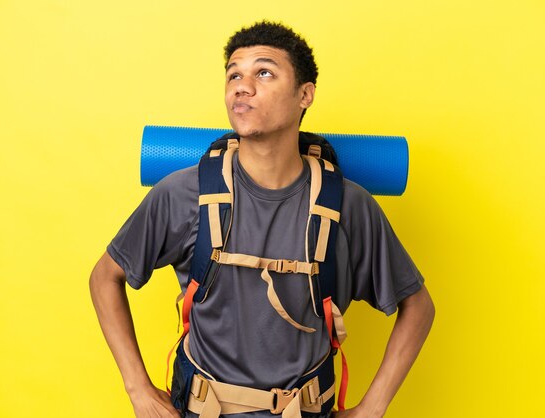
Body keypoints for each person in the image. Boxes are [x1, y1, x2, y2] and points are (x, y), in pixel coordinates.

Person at [90, 21, 435, 418]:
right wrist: (138, 389)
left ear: (305, 95)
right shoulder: (183, 194)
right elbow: (104, 276)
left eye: (264, 73)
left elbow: (418, 306)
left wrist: (372, 408)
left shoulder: (348, 206)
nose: (242, 85)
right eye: (233, 74)